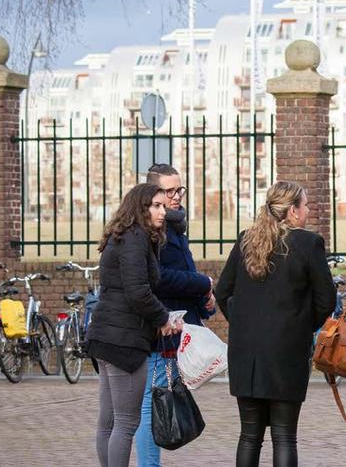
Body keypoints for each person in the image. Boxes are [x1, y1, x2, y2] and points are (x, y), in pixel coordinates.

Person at [213, 181, 336, 467]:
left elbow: (223, 292)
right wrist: (303, 325)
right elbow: (326, 299)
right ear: (292, 211)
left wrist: (243, 322)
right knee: (284, 435)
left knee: (249, 435)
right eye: (304, 205)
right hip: (286, 350)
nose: (306, 211)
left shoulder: (246, 239)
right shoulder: (308, 243)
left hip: (246, 351)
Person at [87, 183, 183, 467]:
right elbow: (138, 291)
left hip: (105, 336)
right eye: (155, 205)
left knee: (110, 421)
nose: (162, 211)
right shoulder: (135, 238)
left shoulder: (123, 235)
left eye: (163, 205)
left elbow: (133, 290)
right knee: (126, 422)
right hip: (123, 342)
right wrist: (164, 318)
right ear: (139, 208)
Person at [135, 164, 215, 466]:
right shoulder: (152, 229)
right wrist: (202, 283)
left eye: (179, 189)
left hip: (180, 321)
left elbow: (185, 271)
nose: (177, 196)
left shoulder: (175, 225)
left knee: (156, 398)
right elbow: (161, 277)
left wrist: (205, 297)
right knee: (151, 402)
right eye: (170, 191)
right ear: (155, 194)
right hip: (161, 326)